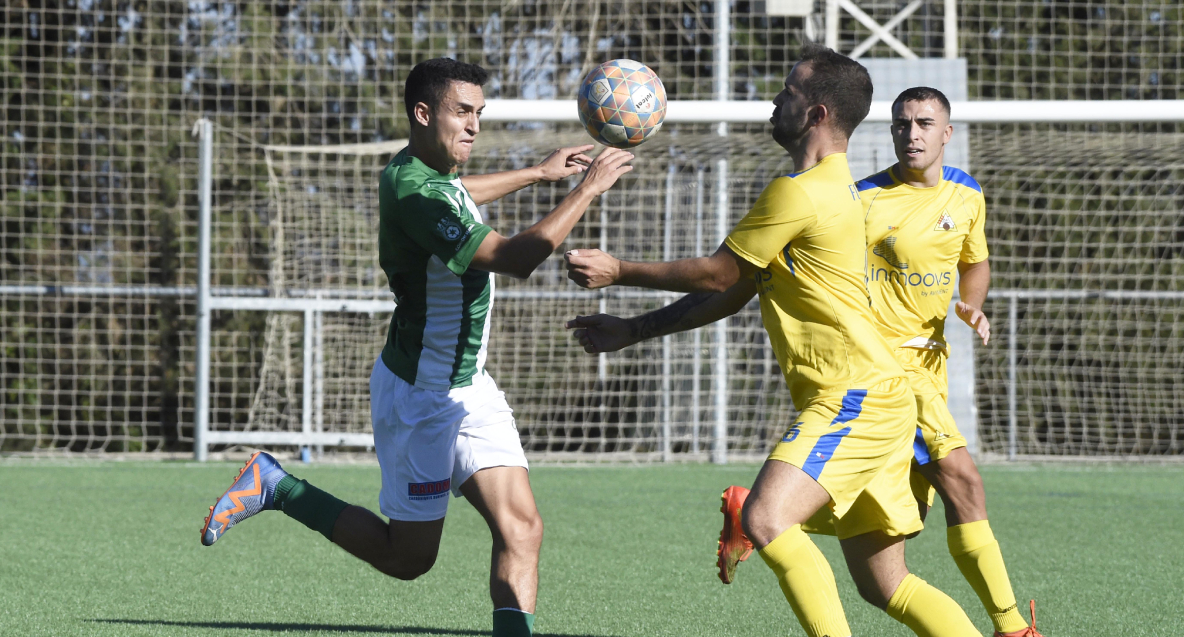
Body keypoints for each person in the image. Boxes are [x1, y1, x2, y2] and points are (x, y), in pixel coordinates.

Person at [199, 58, 634, 637]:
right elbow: (515, 258)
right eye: (463, 111)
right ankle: (278, 486)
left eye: (480, 113)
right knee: (409, 559)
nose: (475, 125)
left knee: (522, 527)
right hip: (420, 397)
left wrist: (537, 173)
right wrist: (589, 188)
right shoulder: (417, 195)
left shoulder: (418, 174)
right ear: (423, 114)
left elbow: (458, 192)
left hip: (469, 388)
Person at [563, 44, 979, 637]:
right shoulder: (830, 188)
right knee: (885, 584)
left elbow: (717, 274)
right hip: (883, 399)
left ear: (816, 115)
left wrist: (617, 268)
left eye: (787, 92)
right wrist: (634, 329)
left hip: (853, 396)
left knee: (764, 517)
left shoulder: (800, 192)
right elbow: (733, 293)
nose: (774, 101)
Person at [855, 86, 1042, 637]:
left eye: (923, 123)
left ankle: (758, 511)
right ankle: (1013, 629)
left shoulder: (966, 194)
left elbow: (975, 263)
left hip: (931, 368)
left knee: (889, 545)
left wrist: (972, 306)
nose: (911, 133)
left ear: (946, 133)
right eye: (901, 123)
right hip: (884, 370)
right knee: (964, 480)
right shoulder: (862, 199)